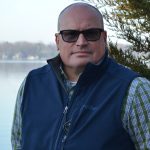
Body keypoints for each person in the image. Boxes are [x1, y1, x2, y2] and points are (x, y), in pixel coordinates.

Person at [11, 2, 150, 150]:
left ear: (104, 38)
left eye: (91, 34)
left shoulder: (134, 90)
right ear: (57, 41)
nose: (81, 42)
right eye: (70, 34)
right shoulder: (32, 84)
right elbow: (18, 144)